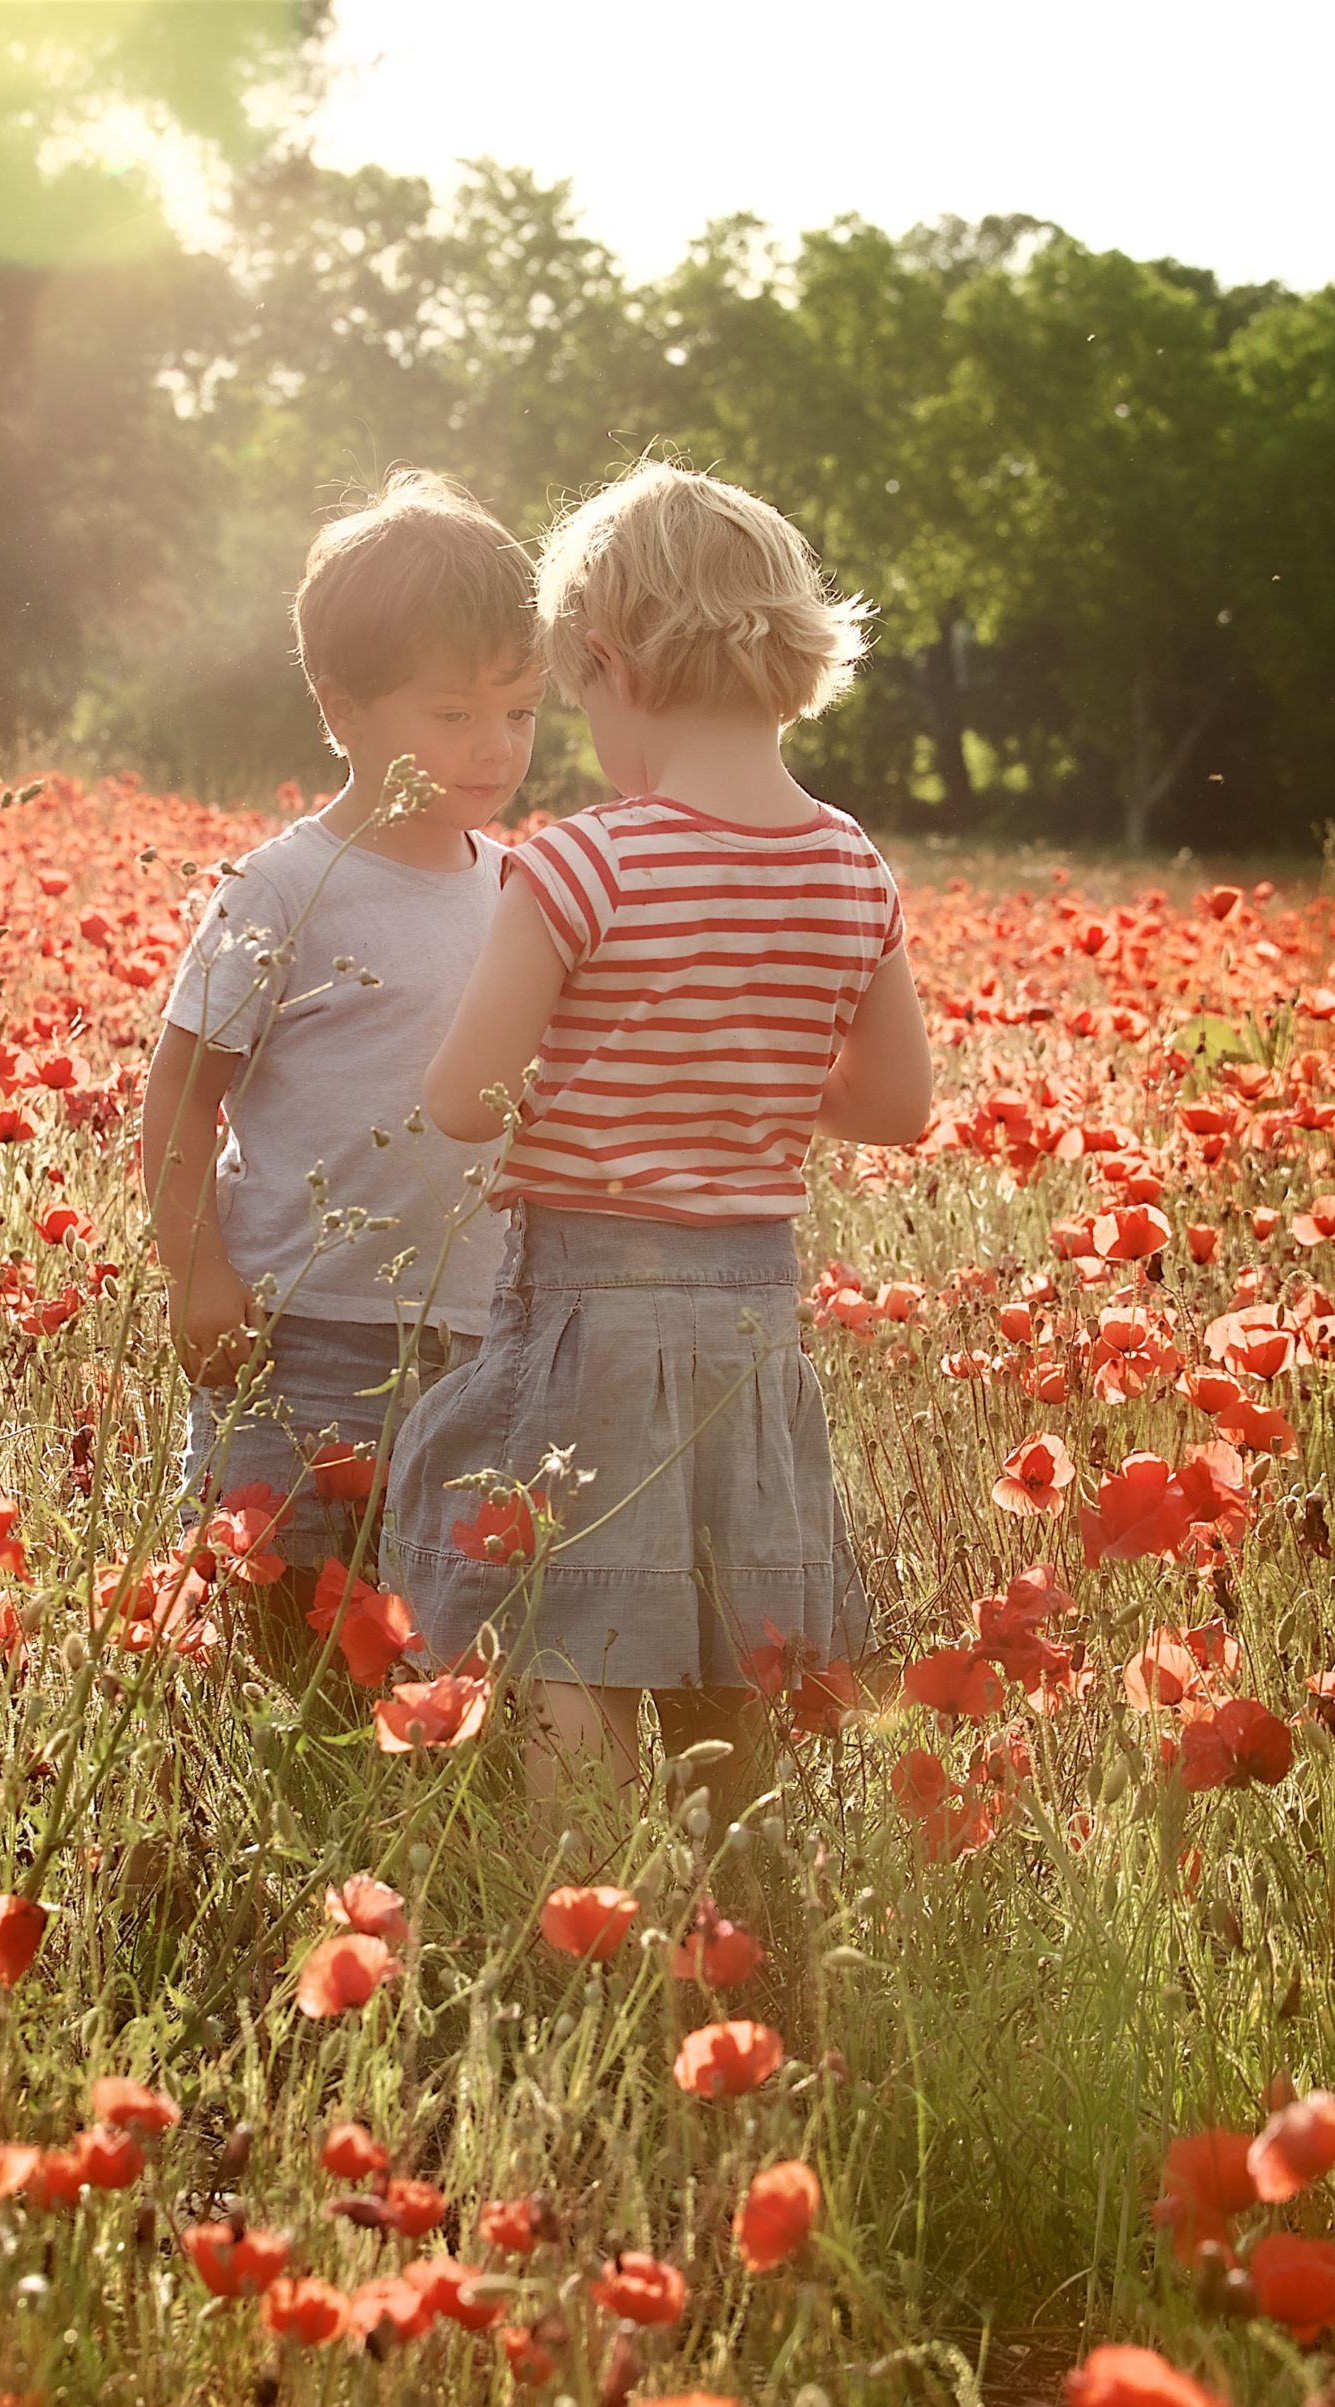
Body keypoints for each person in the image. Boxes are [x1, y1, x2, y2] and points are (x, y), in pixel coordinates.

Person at [383, 458, 933, 1807]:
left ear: (607, 659)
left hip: (588, 1303)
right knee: (736, 1622)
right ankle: (730, 1903)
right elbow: (899, 1108)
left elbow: (465, 1100)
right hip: (753, 1312)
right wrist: (742, 1058)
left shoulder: (586, 862)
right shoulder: (851, 864)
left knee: (576, 1617)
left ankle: (583, 1915)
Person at [142, 469, 543, 1629]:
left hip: (474, 1336)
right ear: (343, 707)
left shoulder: (523, 890)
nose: (495, 748)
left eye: (519, 712)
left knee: (420, 1634)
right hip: (296, 1327)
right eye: (453, 714)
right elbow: (180, 1090)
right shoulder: (285, 885)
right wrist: (198, 1271)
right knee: (267, 1608)